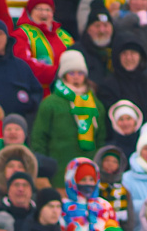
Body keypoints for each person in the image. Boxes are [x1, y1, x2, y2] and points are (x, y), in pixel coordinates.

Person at [30, 51, 106, 188]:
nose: (76, 77)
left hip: (88, 176)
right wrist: (43, 170)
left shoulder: (95, 104)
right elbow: (39, 138)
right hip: (58, 174)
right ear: (64, 75)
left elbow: (101, 139)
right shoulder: (50, 103)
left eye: (80, 73)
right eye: (72, 73)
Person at [97, 36, 147, 136]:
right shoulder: (108, 86)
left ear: (141, 56)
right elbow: (106, 121)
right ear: (117, 57)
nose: (129, 58)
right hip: (119, 143)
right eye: (124, 54)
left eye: (133, 53)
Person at [12, 0, 76, 97]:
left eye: (48, 9)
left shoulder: (64, 35)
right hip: (37, 95)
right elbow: (23, 64)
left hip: (67, 93)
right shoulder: (22, 34)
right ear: (30, 12)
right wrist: (58, 73)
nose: (44, 13)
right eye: (39, 9)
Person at [0, 116, 39, 196]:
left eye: (17, 129)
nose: (12, 132)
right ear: (3, 133)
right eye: (8, 129)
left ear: (24, 135)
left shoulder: (32, 160)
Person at [74, 0, 116, 87]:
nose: (102, 30)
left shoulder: (119, 50)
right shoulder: (77, 52)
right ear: (88, 29)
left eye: (106, 25)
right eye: (97, 26)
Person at [96, 145, 134, 230]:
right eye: (107, 160)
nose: (110, 164)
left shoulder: (123, 190)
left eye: (115, 162)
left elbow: (130, 217)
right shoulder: (95, 188)